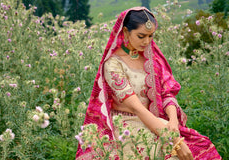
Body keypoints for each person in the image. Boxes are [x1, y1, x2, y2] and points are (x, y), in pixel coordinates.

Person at [76, 7, 222, 160]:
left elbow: (166, 92)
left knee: (202, 146)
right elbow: (137, 108)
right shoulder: (113, 65)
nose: (146, 41)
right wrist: (175, 141)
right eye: (141, 36)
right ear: (125, 32)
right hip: (127, 125)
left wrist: (173, 122)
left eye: (151, 36)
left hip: (156, 121)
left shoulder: (151, 60)